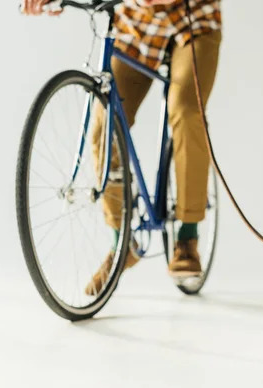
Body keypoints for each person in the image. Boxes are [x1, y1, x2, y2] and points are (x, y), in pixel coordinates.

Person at [21, 0, 221, 295]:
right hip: (136, 26)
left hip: (193, 23)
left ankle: (187, 238)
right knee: (105, 126)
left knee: (186, 111)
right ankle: (122, 243)